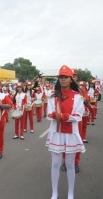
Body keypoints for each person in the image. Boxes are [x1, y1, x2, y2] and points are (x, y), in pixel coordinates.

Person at [45, 65, 85, 199]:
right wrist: (53, 115)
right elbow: (48, 114)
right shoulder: (53, 96)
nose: (63, 80)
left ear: (70, 79)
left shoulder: (78, 97)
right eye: (61, 77)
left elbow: (79, 116)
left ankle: (70, 193)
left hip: (71, 134)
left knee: (69, 164)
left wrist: (64, 116)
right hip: (56, 133)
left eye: (65, 77)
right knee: (55, 164)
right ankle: (54, 193)